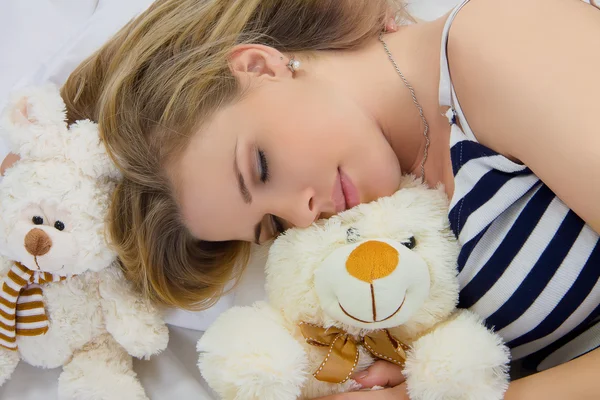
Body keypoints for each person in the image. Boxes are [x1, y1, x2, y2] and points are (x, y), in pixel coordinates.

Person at [2, 0, 599, 398]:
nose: (305, 212)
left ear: (259, 65)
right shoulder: (381, 226)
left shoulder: (497, 41)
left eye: (259, 168)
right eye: (272, 227)